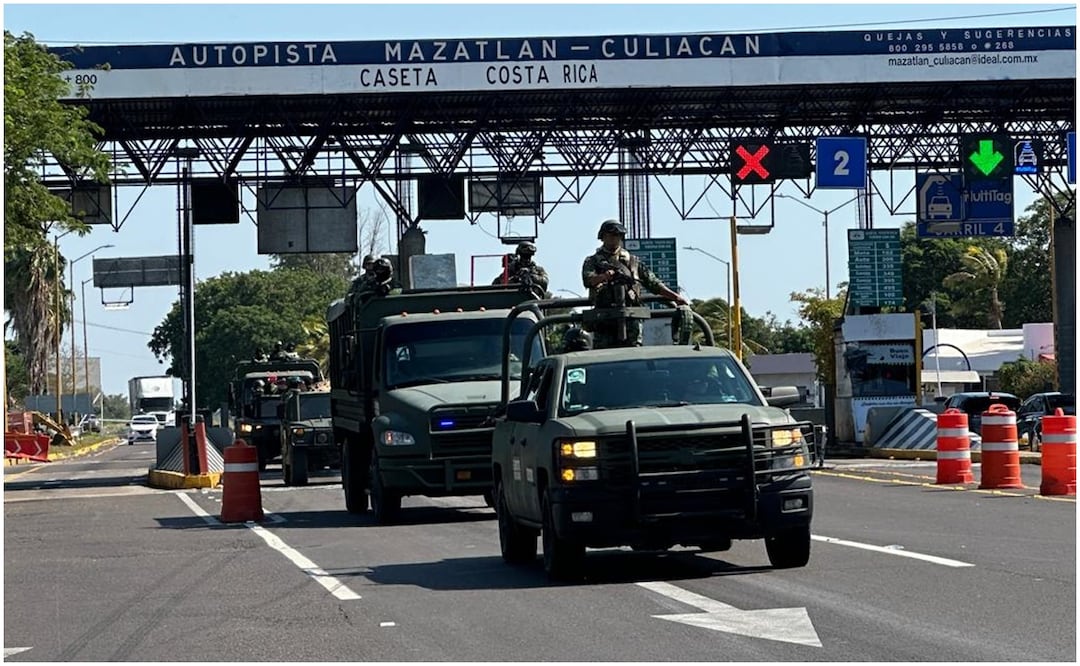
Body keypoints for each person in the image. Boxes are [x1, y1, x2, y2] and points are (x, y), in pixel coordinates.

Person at [581, 219, 687, 348]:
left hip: (631, 316)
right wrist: (604, 276)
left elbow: (654, 283)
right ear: (602, 237)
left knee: (633, 353)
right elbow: (588, 280)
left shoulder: (633, 262)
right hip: (604, 317)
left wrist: (676, 297)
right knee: (605, 356)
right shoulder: (593, 261)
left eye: (618, 236)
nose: (615, 239)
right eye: (611, 235)